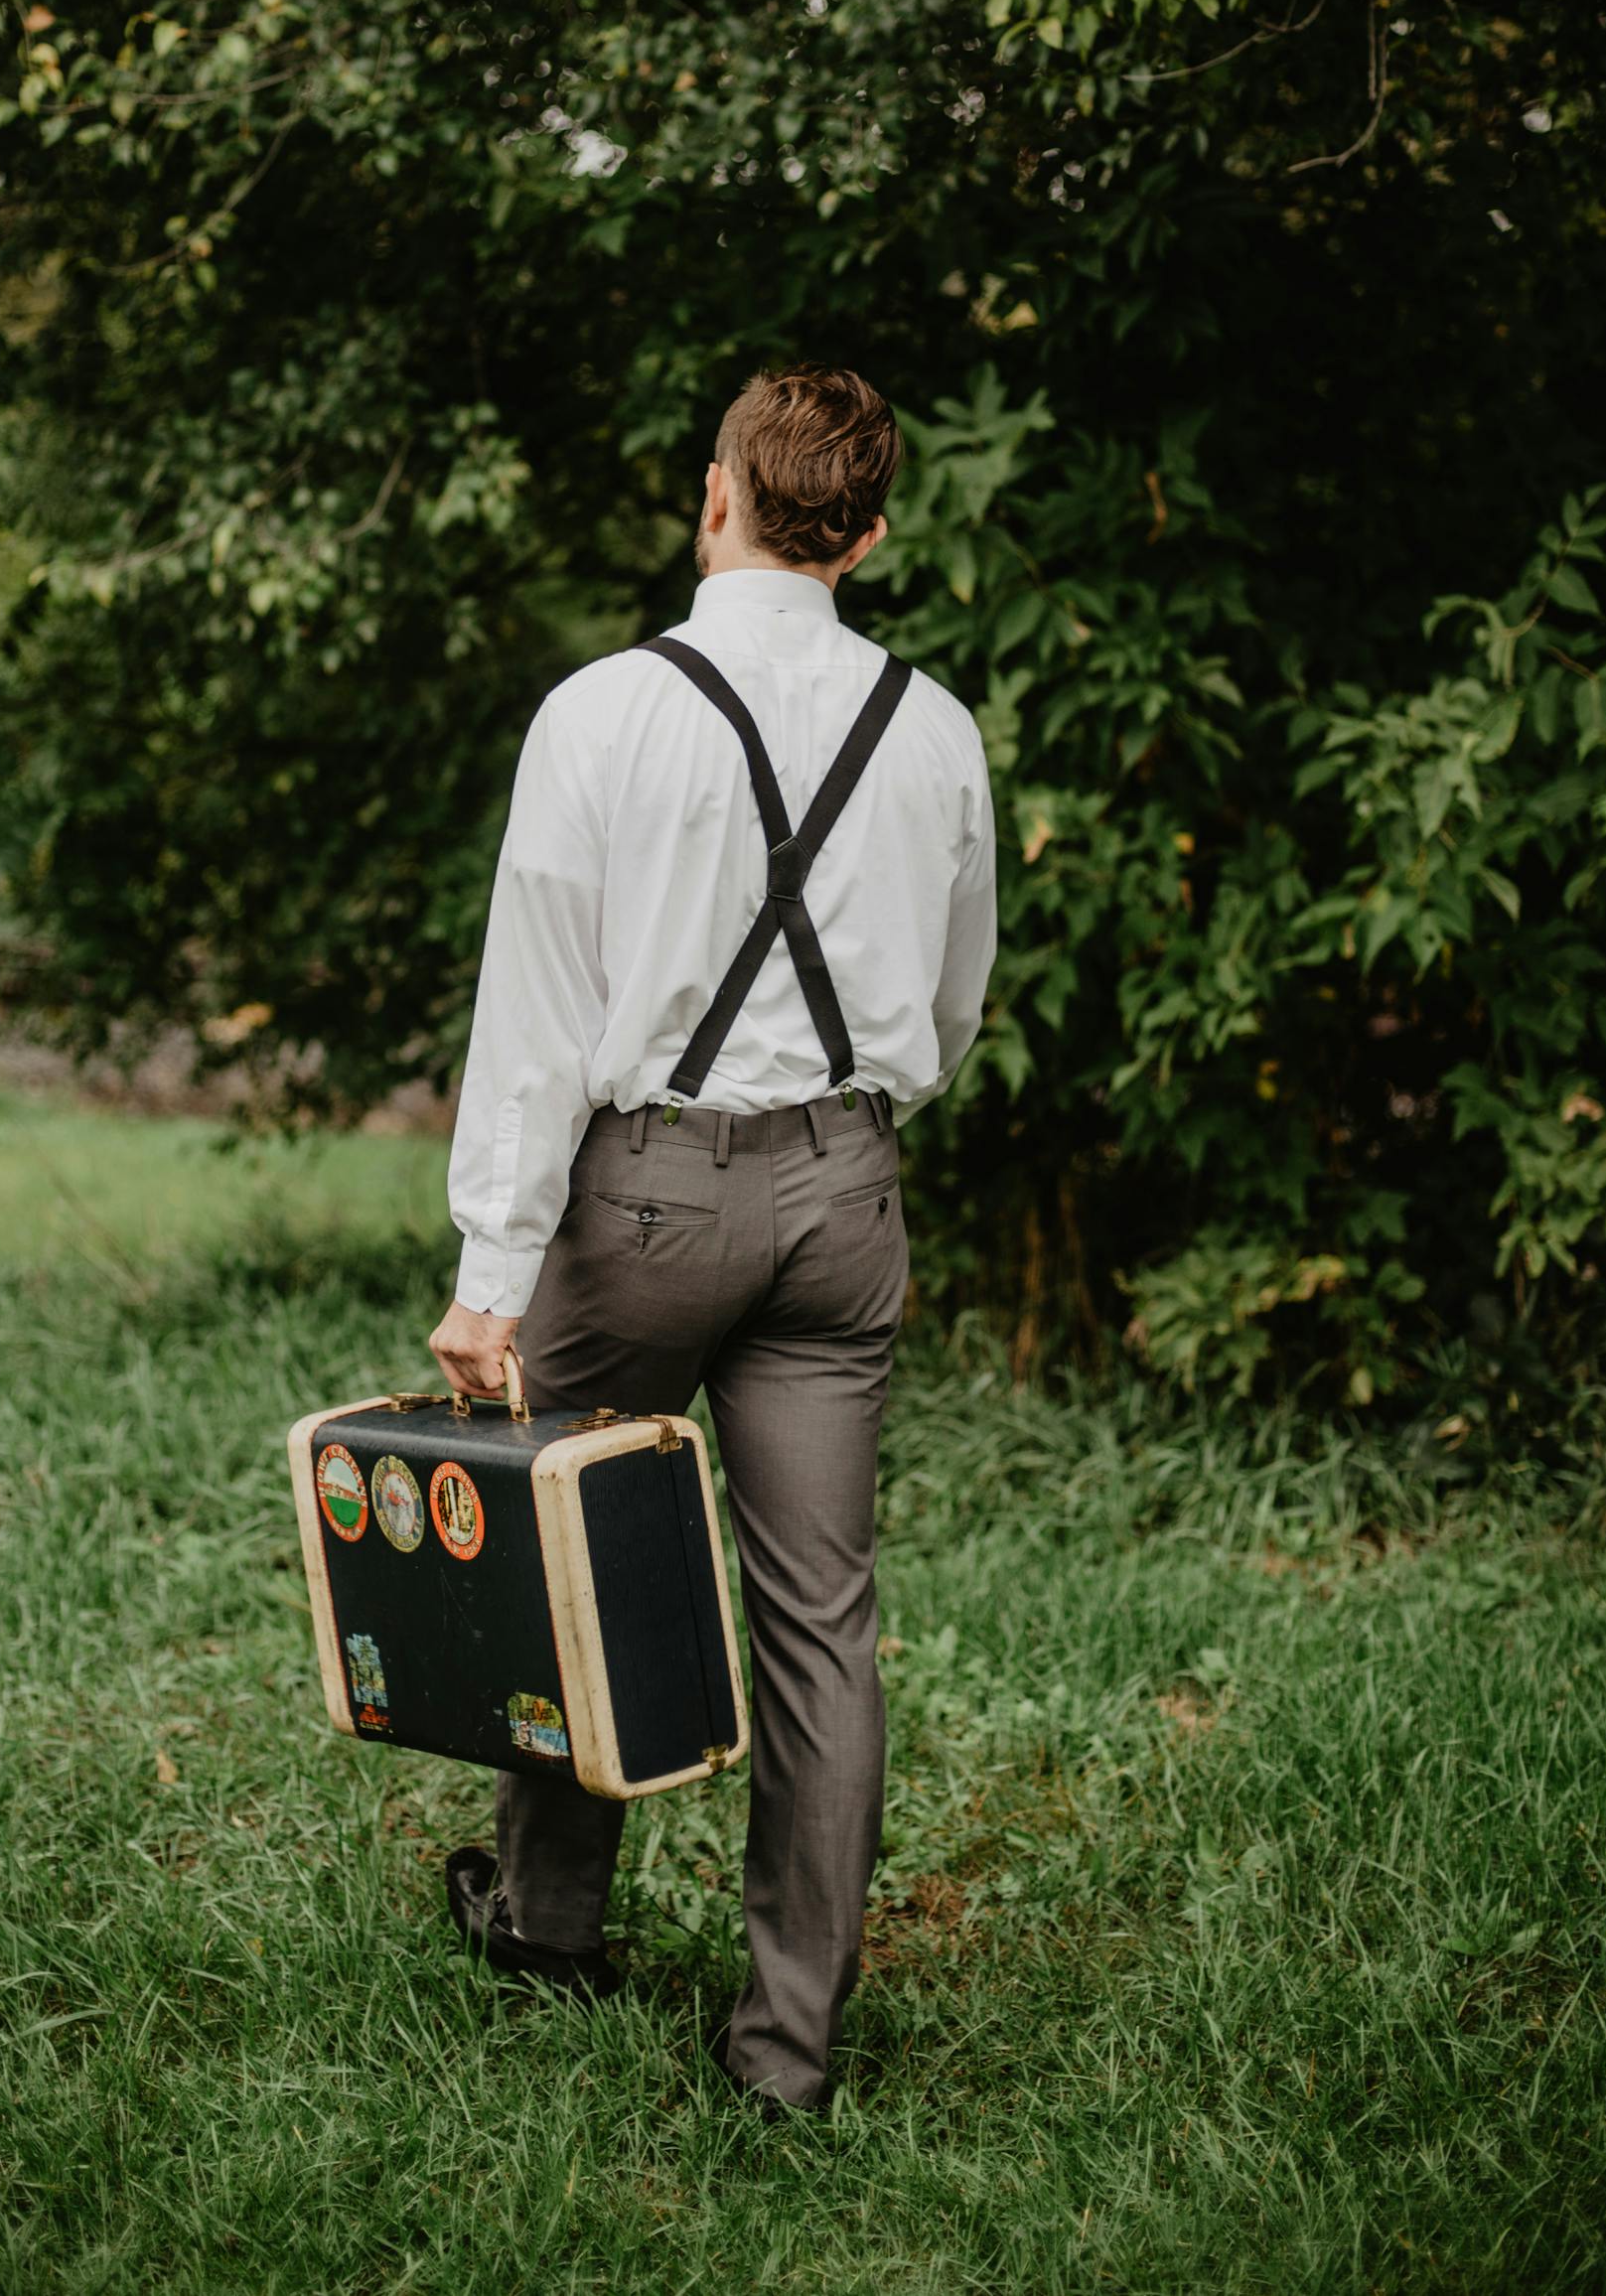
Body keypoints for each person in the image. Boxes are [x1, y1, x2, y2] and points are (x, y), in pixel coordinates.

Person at [428, 363, 997, 2114]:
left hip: (647, 1197)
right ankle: (785, 2057)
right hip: (845, 1196)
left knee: (566, 1544)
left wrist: (487, 1272)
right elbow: (955, 1007)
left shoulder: (601, 713)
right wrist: (837, 1126)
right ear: (874, 530)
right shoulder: (938, 728)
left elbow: (536, 1016)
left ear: (715, 495)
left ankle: (546, 1926)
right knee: (821, 1622)